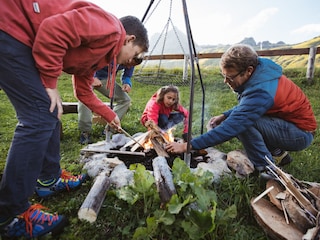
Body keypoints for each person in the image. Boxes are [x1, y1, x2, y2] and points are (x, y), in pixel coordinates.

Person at [0, 0, 149, 238]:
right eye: (136, 54)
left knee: (50, 112)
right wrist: (50, 82)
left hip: (20, 37)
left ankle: (48, 179)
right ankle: (11, 212)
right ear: (129, 39)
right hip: (10, 27)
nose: (133, 61)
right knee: (40, 115)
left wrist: (109, 114)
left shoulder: (103, 54)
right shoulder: (109, 29)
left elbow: (83, 91)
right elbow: (52, 29)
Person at [165, 44, 316, 175]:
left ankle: (267, 169)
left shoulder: (262, 91)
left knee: (244, 125)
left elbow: (235, 124)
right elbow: (249, 106)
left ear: (248, 71)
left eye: (230, 77)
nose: (226, 81)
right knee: (242, 120)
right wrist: (225, 115)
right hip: (285, 124)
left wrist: (186, 146)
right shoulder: (260, 75)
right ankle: (278, 153)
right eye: (223, 76)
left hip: (300, 134)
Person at [78, 57, 143, 144]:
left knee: (125, 100)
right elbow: (88, 60)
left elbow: (127, 75)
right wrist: (93, 77)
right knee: (84, 98)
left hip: (106, 79)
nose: (129, 66)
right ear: (129, 55)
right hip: (88, 76)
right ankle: (85, 132)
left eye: (132, 65)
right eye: (129, 63)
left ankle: (109, 129)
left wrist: (126, 83)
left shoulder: (133, 60)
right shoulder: (114, 51)